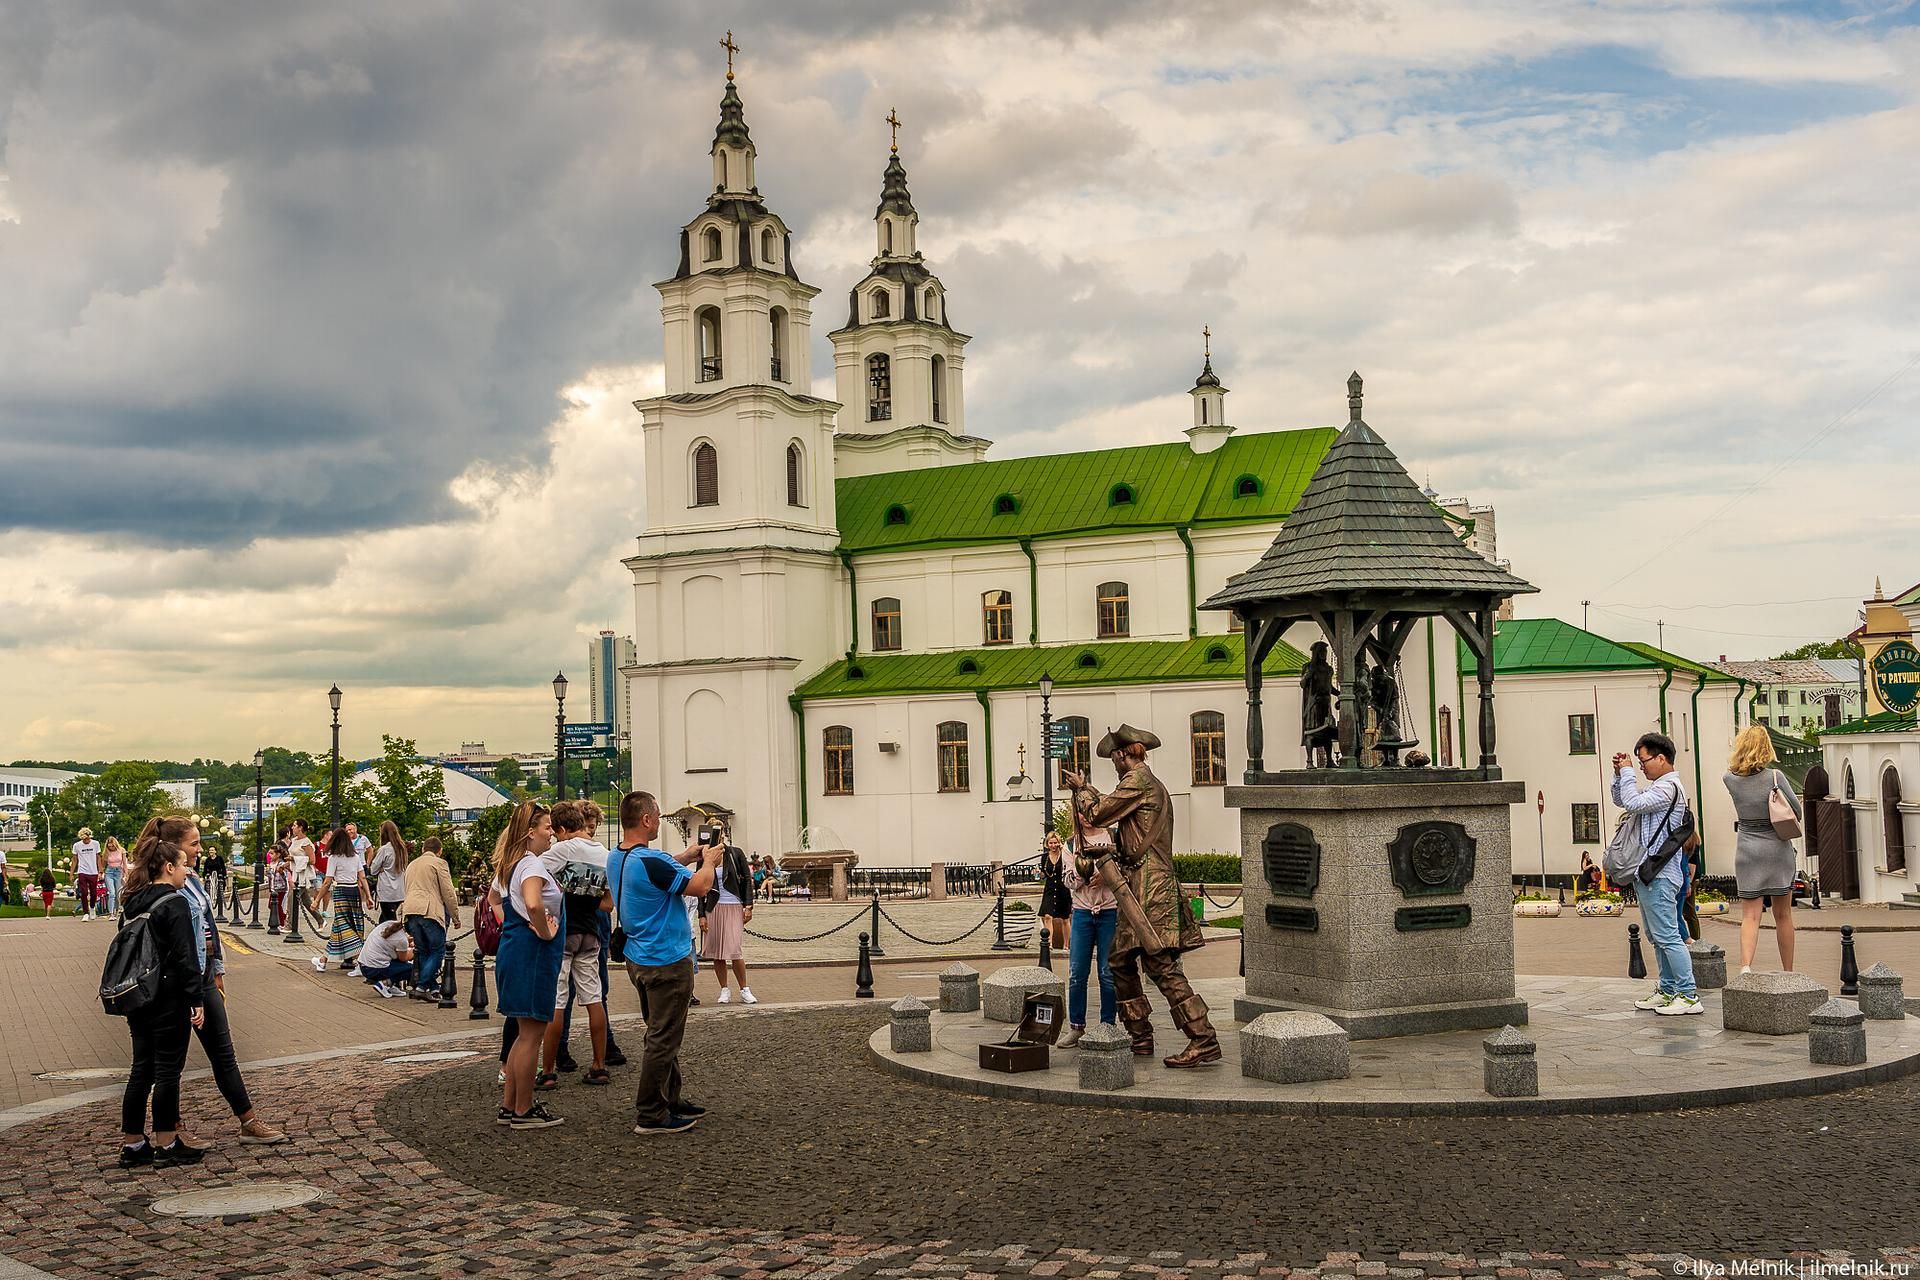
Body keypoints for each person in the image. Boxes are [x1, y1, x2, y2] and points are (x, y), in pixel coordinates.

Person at [1062, 725, 1220, 1068]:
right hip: (1138, 885)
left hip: (1150, 887)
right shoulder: (1149, 785)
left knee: (1161, 965)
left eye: (1114, 758)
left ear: (1122, 755)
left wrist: (1083, 789)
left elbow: (1097, 813)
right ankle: (1140, 1035)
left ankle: (1203, 1038)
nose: (1114, 765)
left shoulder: (1138, 782)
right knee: (1119, 961)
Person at [154, 817, 287, 1148]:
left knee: (223, 1052)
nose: (199, 850)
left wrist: (217, 970)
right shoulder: (162, 886)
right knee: (173, 1062)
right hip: (177, 984)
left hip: (203, 978)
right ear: (173, 850)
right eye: (193, 844)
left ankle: (248, 1120)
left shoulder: (194, 880)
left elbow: (209, 927)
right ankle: (172, 1127)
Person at [607, 790, 721, 1136]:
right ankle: (651, 1112)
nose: (658, 821)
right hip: (666, 961)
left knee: (658, 1031)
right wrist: (709, 862)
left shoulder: (618, 857)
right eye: (656, 816)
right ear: (646, 819)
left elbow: (657, 869)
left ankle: (671, 1097)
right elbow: (700, 887)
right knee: (662, 1038)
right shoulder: (651, 862)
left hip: (638, 959)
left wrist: (687, 855)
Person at [115, 826, 209, 1169]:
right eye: (183, 865)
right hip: (168, 997)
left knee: (140, 1069)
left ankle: (133, 1143)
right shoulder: (175, 903)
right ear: (168, 867)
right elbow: (187, 959)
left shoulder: (132, 900)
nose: (188, 871)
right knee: (168, 1070)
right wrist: (195, 1000)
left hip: (138, 996)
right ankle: (166, 1143)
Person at [1612, 732, 1701, 1015]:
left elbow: (1632, 804)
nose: (1641, 766)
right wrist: (1619, 775)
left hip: (1661, 873)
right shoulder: (1658, 788)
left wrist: (1626, 772)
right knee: (1656, 936)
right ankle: (1667, 990)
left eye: (1644, 760)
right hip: (1649, 873)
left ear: (1661, 758)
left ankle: (1687, 995)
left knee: (1669, 936)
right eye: (1638, 762)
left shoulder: (1668, 788)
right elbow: (1621, 799)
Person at [493, 801, 564, 1128]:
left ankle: (510, 1105)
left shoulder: (511, 863)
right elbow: (534, 901)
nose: (552, 832)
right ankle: (523, 1109)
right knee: (531, 1035)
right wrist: (544, 928)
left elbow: (496, 899)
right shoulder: (532, 865)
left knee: (522, 1034)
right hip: (532, 953)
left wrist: (520, 921)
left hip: (514, 948)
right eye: (547, 827)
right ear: (531, 831)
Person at [538, 801, 614, 1086]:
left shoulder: (563, 850)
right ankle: (599, 1064)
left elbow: (534, 875)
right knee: (594, 998)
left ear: (561, 828)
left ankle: (547, 1071)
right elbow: (608, 903)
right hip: (591, 931)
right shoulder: (605, 854)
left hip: (565, 930)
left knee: (557, 1000)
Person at [1725, 724, 1805, 976]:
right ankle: (1788, 971)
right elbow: (1797, 812)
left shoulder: (1729, 779)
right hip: (1776, 849)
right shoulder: (1775, 778)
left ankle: (1745, 966)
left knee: (1750, 915)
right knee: (1783, 915)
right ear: (1766, 748)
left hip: (1747, 850)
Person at [1056, 828, 1117, 1048]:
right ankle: (1076, 1026)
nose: (1085, 815)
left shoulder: (1112, 835)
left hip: (1109, 911)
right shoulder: (1072, 843)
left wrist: (1106, 875)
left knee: (1107, 972)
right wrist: (1083, 874)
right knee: (1076, 973)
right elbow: (1067, 880)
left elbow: (1127, 868)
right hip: (1082, 912)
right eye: (1080, 810)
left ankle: (1108, 1025)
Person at [698, 823, 756, 1004]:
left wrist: (748, 904)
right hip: (714, 906)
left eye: (720, 832)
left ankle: (744, 989)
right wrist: (701, 914)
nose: (719, 836)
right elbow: (700, 885)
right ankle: (724, 989)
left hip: (733, 904)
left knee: (734, 950)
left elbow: (747, 879)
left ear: (724, 834)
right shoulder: (705, 857)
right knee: (717, 951)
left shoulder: (735, 853)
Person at [400, 835, 461, 998]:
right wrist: (455, 916)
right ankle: (421, 986)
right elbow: (448, 892)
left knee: (424, 950)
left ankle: (432, 988)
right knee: (437, 950)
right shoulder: (439, 863)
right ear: (439, 851)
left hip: (410, 911)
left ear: (423, 849)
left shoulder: (411, 865)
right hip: (429, 912)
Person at [311, 827, 372, 974]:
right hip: (354, 892)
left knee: (344, 926)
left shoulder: (334, 858)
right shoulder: (355, 857)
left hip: (341, 892)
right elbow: (362, 877)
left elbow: (327, 881)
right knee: (347, 926)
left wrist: (317, 900)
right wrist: (368, 897)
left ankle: (362, 962)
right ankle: (323, 960)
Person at [356, 919, 416, 996]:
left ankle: (390, 986)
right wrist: (415, 950)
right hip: (374, 969)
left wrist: (408, 941)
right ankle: (385, 984)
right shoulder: (402, 940)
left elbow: (392, 941)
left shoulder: (389, 924)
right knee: (414, 969)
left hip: (364, 965)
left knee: (399, 963)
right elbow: (403, 958)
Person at [369, 820, 409, 924]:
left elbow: (373, 870)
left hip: (386, 890)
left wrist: (381, 868)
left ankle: (386, 939)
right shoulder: (402, 848)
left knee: (388, 920)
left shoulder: (384, 849)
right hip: (400, 890)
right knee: (387, 918)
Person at [1037, 830, 1071, 953]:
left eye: (1055, 842)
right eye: (1050, 843)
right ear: (1047, 844)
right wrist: (1039, 874)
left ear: (1059, 843)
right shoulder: (1045, 857)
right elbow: (1044, 873)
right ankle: (1049, 943)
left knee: (1065, 918)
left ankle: (1066, 944)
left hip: (1063, 887)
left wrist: (1064, 849)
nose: (1053, 845)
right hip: (1050, 888)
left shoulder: (1064, 854)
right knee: (1047, 915)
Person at [72, 827, 102, 920]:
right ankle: (85, 913)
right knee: (83, 892)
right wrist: (71, 872)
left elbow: (98, 857)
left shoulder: (95, 844)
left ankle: (92, 908)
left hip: (93, 871)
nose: (86, 840)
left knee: (93, 893)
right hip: (82, 871)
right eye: (84, 839)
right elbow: (74, 859)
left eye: (87, 838)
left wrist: (100, 870)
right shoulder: (77, 845)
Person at [103, 837, 127, 918]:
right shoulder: (106, 852)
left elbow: (124, 863)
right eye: (109, 846)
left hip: (118, 871)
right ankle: (111, 913)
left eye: (112, 846)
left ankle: (117, 910)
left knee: (118, 893)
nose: (111, 848)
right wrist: (100, 873)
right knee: (112, 893)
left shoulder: (122, 850)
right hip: (109, 872)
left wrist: (126, 874)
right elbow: (103, 864)